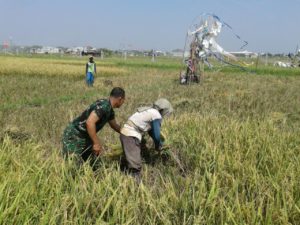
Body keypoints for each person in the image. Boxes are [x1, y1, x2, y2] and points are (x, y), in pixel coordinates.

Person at [62, 87, 125, 166]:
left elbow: (114, 125)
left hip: (86, 137)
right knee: (73, 165)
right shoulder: (104, 106)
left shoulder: (109, 110)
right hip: (75, 135)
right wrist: (96, 143)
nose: (123, 103)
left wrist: (127, 133)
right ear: (120, 99)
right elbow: (90, 122)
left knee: (94, 164)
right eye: (123, 100)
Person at [119, 98, 173, 182]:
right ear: (162, 110)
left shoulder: (149, 111)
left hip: (126, 133)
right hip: (130, 135)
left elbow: (151, 132)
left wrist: (160, 144)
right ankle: (136, 185)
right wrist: (158, 145)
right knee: (135, 165)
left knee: (130, 159)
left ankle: (125, 176)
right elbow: (156, 135)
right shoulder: (156, 115)